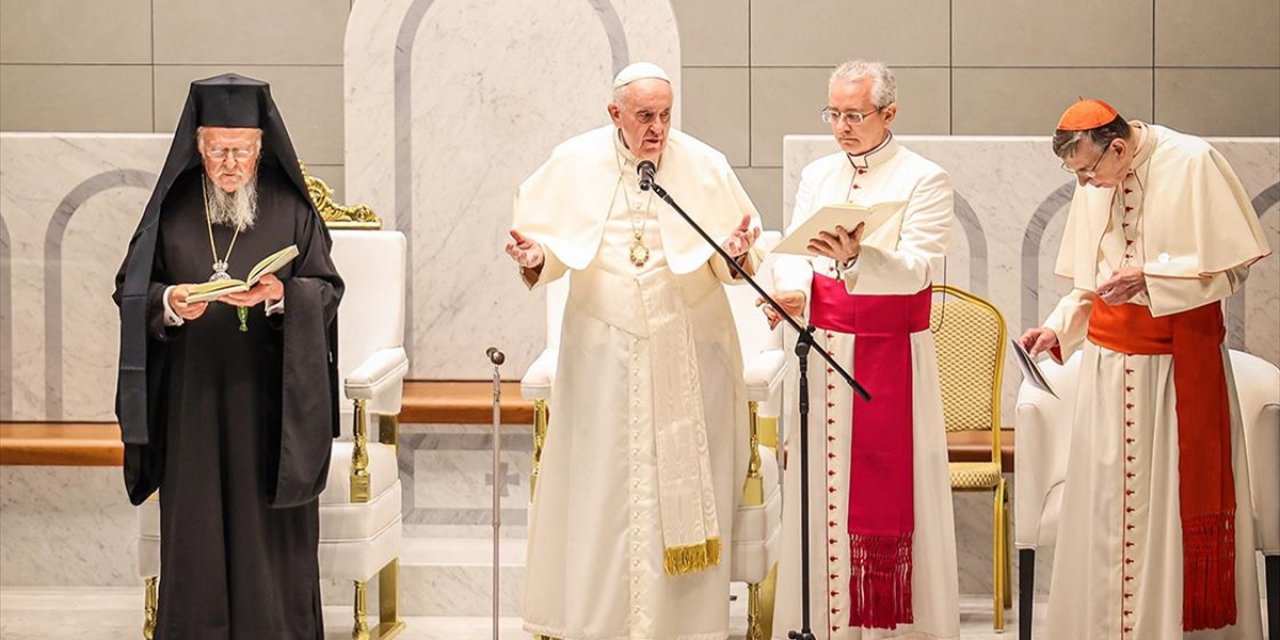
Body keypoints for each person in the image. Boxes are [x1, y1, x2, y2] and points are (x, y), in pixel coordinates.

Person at [506, 61, 762, 640]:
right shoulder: (573, 162)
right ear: (614, 113)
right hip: (603, 358)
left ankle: (686, 628)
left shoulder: (704, 165)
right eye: (645, 116)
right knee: (603, 496)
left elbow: (734, 260)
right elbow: (546, 247)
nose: (658, 129)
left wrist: (738, 251)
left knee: (686, 490)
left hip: (693, 352)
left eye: (667, 114)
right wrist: (534, 260)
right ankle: (600, 627)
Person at [1020, 98, 1269, 639]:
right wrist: (1058, 328)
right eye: (1076, 174)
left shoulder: (1193, 162)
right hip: (1107, 373)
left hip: (1176, 372)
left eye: (1089, 170)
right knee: (1107, 511)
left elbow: (1231, 270)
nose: (1085, 185)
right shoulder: (1097, 182)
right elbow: (1092, 283)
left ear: (1117, 147)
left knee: (1168, 509)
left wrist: (1152, 280)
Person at [113, 73, 344, 639]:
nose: (230, 163)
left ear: (262, 146)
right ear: (197, 144)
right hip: (193, 397)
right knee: (197, 527)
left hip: (272, 399)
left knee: (268, 531)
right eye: (217, 149)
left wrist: (281, 296)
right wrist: (170, 302)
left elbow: (328, 289)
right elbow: (130, 290)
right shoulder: (170, 211)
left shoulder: (292, 208)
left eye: (241, 150)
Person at [766, 60, 960, 639]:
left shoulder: (924, 178)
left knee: (885, 490)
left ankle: (890, 629)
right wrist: (790, 292)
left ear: (889, 114)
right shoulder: (820, 174)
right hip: (823, 352)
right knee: (821, 490)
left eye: (855, 115)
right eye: (834, 114)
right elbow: (796, 251)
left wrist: (856, 260)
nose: (842, 127)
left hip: (888, 357)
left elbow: (920, 268)